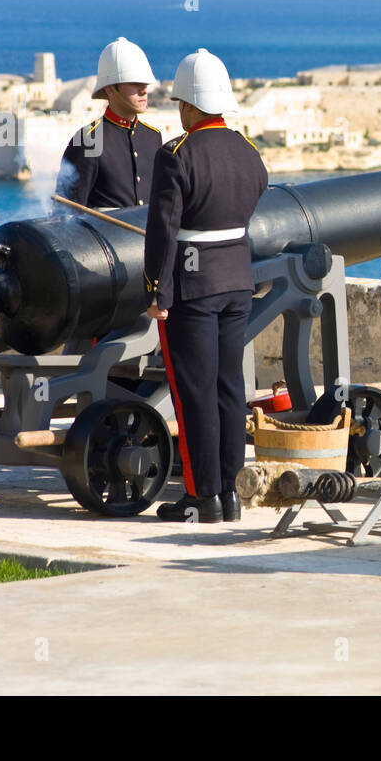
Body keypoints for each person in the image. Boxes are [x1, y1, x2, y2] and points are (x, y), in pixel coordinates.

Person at [143, 49, 268, 523]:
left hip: (193, 287)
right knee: (229, 388)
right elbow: (258, 189)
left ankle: (202, 497)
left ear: (190, 106)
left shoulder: (176, 155)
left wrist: (158, 292)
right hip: (237, 280)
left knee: (194, 392)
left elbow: (163, 231)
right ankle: (232, 493)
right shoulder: (247, 151)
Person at [56, 37, 161, 210]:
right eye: (135, 83)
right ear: (110, 88)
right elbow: (67, 214)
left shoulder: (153, 136)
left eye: (145, 83)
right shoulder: (88, 140)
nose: (143, 90)